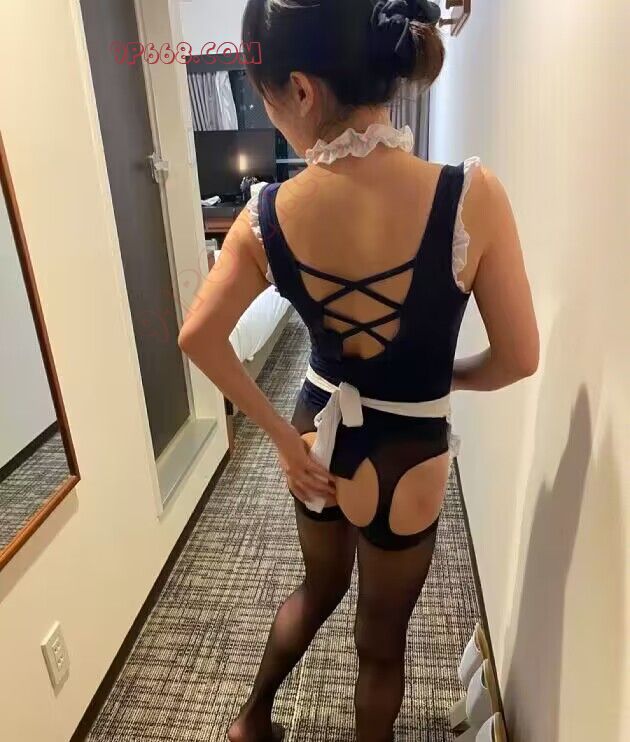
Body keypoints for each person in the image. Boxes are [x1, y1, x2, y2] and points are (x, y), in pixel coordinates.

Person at [178, 0, 539, 740]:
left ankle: (251, 721)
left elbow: (198, 337)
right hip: (410, 452)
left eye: (265, 94)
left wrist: (281, 439)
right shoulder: (471, 196)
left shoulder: (266, 215)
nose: (269, 111)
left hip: (318, 434)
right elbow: (519, 358)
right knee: (381, 643)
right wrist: (446, 379)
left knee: (318, 589)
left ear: (301, 90)